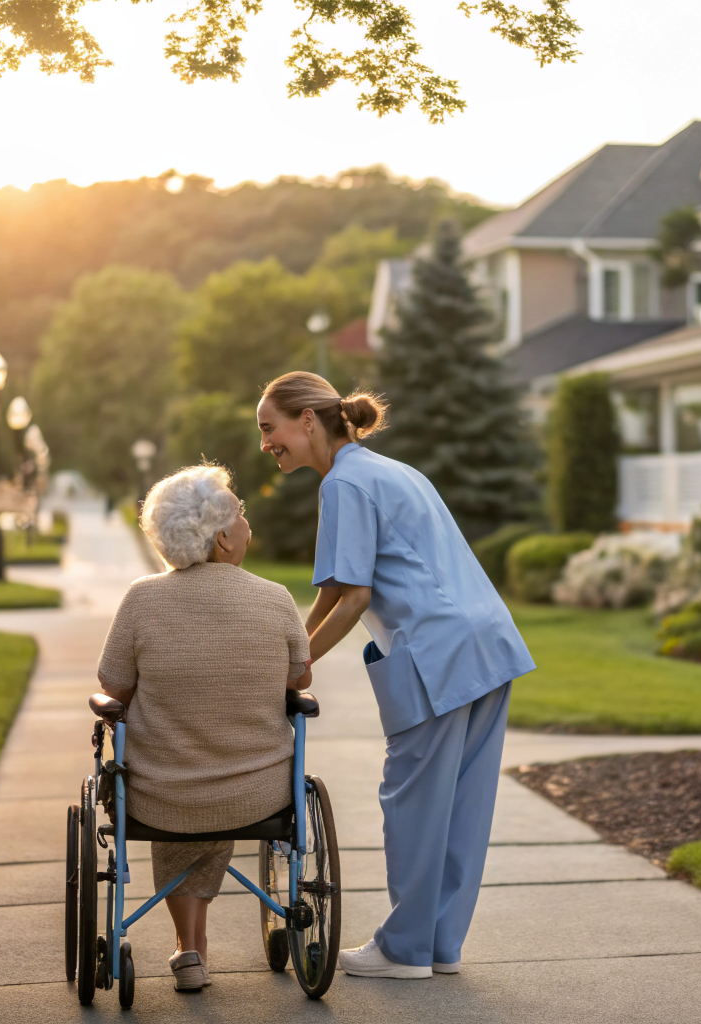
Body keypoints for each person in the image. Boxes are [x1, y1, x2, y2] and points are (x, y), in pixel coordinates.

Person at [257, 371, 535, 980]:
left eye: (268, 427)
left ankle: (403, 950)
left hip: (437, 653)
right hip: (487, 644)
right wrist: (293, 652)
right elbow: (336, 586)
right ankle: (439, 945)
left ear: (308, 420)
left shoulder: (345, 485)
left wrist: (295, 669)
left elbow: (355, 598)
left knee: (411, 802)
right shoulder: (388, 471)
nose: (264, 443)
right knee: (462, 807)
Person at [96, 465, 311, 993]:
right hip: (257, 792)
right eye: (239, 513)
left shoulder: (142, 599)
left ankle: (189, 949)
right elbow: (300, 678)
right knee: (214, 789)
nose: (246, 523)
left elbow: (112, 688)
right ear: (221, 537)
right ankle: (192, 948)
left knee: (181, 784)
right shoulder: (275, 597)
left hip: (162, 793)